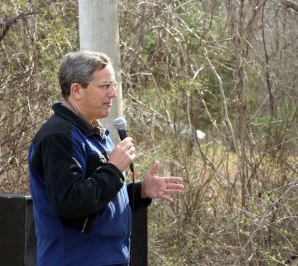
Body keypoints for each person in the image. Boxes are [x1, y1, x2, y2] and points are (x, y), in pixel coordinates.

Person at [28, 50, 184, 266]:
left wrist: (141, 191)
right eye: (105, 86)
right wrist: (113, 168)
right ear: (76, 90)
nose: (113, 94)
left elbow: (100, 200)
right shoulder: (59, 136)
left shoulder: (94, 132)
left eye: (114, 85)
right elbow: (71, 203)